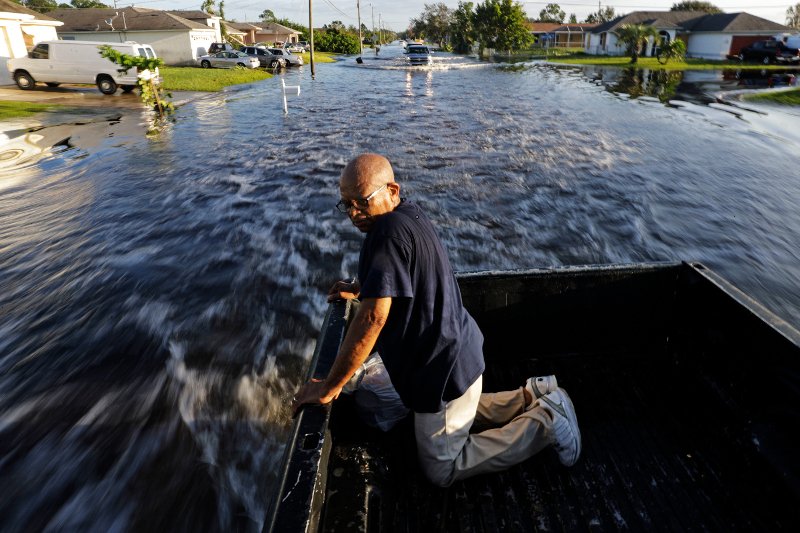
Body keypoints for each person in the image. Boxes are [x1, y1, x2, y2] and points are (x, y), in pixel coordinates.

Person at [292, 153, 581, 487]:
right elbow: (406, 269)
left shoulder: (384, 234)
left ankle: (545, 422)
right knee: (452, 416)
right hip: (461, 354)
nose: (354, 214)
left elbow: (373, 318)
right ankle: (532, 395)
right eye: (346, 204)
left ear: (392, 190)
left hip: (442, 375)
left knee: (442, 470)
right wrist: (362, 287)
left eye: (362, 202)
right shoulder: (408, 214)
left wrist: (330, 387)